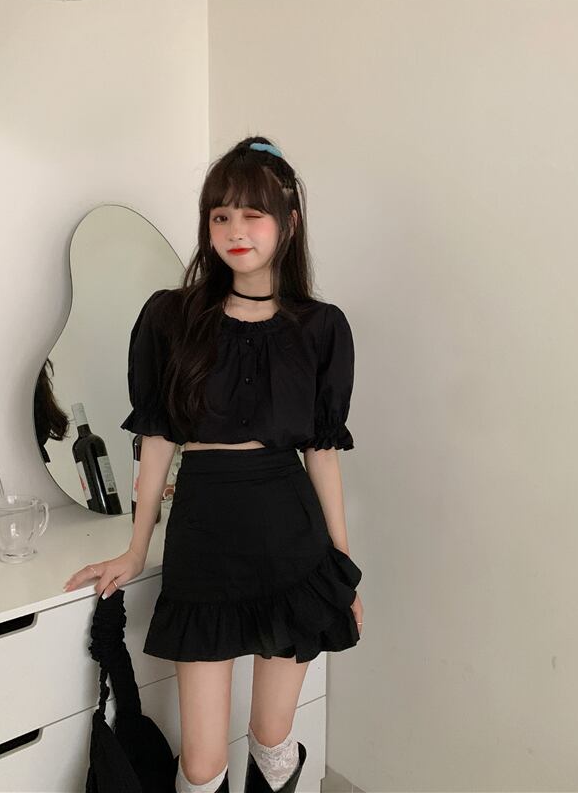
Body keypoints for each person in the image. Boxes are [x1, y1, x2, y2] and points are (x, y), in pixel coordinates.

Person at [63, 136, 364, 793]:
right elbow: (157, 440)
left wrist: (342, 571)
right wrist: (136, 548)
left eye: (253, 215)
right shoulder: (171, 317)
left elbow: (321, 453)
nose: (234, 230)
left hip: (293, 541)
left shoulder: (320, 328)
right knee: (201, 766)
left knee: (273, 741)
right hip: (204, 538)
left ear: (289, 223)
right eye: (220, 215)